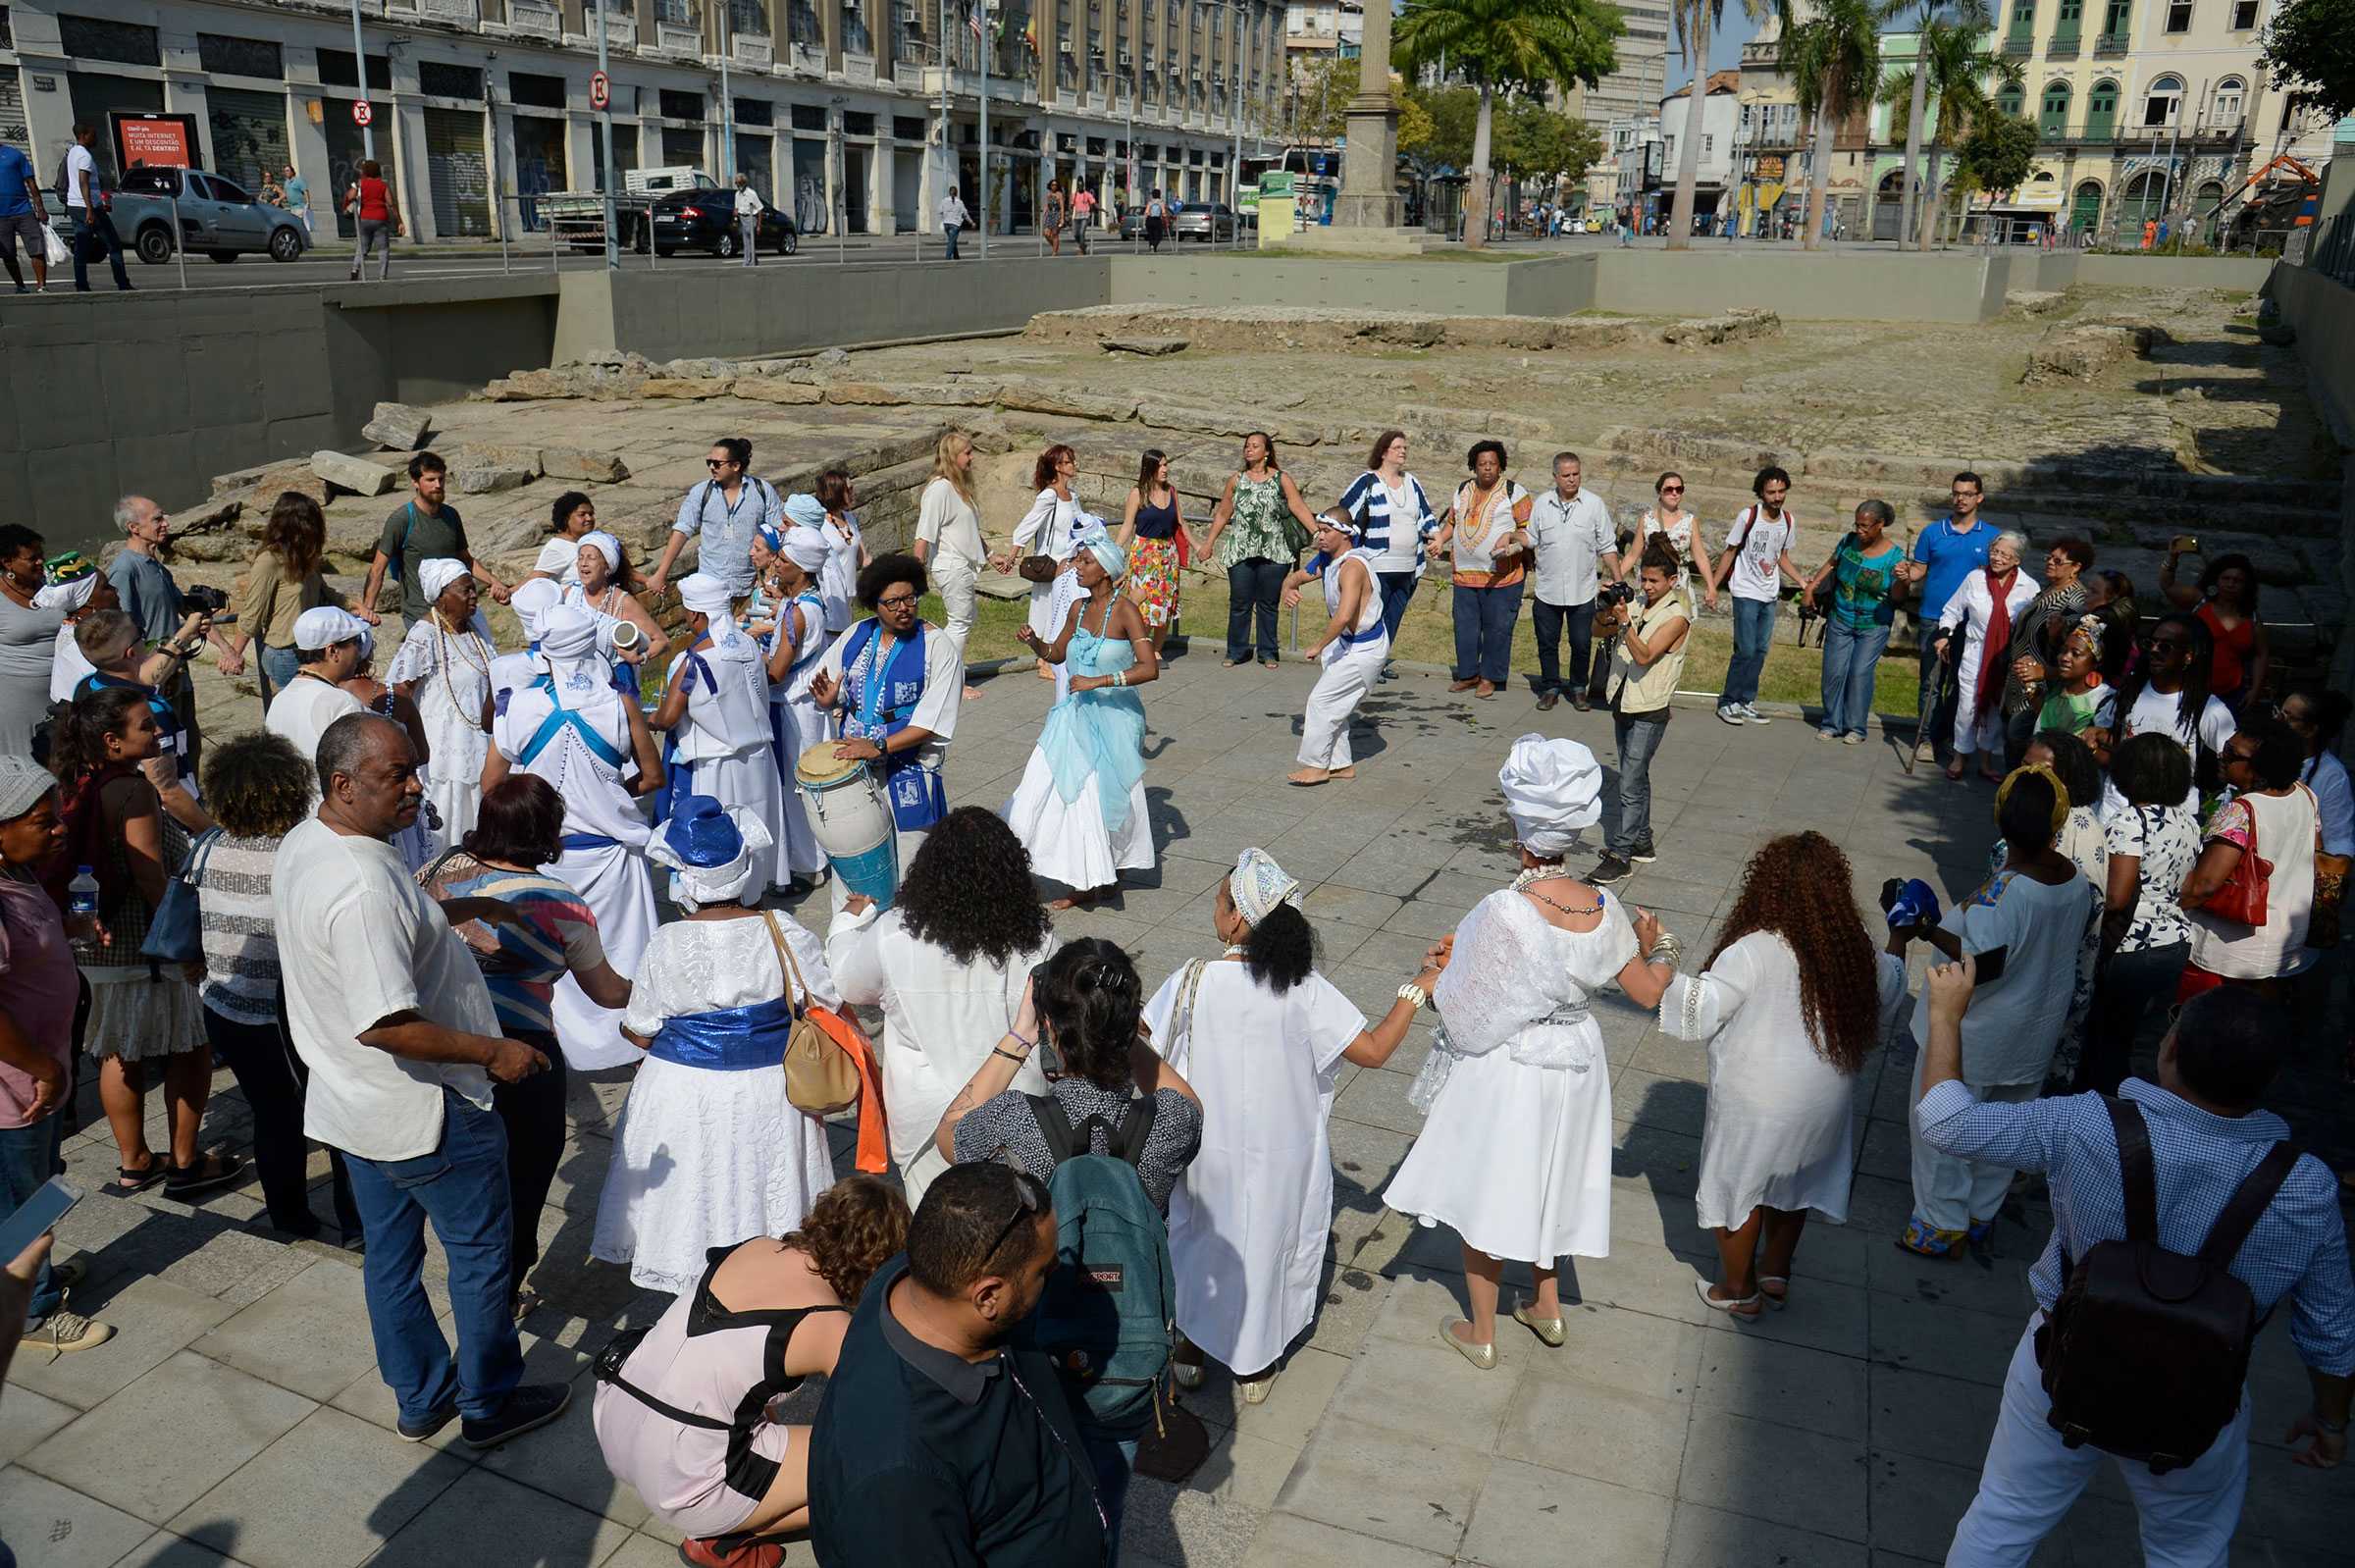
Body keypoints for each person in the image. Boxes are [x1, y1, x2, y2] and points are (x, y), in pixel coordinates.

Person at [1919, 977, 2354, 1566]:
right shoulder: (2307, 1186)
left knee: (2006, 1516)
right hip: (2200, 1393)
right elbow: (2331, 1332)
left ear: (2169, 1048)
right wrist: (2331, 1418)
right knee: (2188, 1551)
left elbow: (1947, 1124)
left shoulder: (2087, 1124)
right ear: (2272, 1081)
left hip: (2060, 1362)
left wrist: (1947, 1016)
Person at [274, 711, 569, 1448]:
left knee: (392, 1259)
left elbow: (374, 938)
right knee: (479, 1256)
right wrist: (493, 1054)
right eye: (395, 776)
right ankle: (487, 1404)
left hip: (353, 1107)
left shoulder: (312, 843)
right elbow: (386, 1024)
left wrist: (453, 910)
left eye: (414, 768)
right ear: (342, 785)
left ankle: (420, 1395)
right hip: (425, 1110)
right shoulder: (364, 887)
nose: (416, 788)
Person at [1385, 736, 1673, 1364]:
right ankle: (1546, 1307)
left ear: (1519, 830)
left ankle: (1481, 1333)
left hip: (1514, 1065)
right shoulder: (1606, 905)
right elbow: (1649, 992)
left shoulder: (1505, 907)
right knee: (1554, 1176)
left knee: (1491, 1185)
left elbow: (1465, 1001)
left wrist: (1433, 975)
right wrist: (1661, 948)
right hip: (1579, 1060)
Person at [933, 939, 1203, 1554]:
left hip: (1038, 1356)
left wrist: (1019, 1036)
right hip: (1127, 1362)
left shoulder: (1015, 1119)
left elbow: (950, 1136)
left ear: (1054, 1030)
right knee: (1104, 1503)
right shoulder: (1165, 1124)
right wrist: (1124, 1036)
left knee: (1028, 1507)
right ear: (1128, 1023)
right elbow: (1192, 1105)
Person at [1151, 848, 1432, 1399]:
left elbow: (1140, 1036)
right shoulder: (1302, 987)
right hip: (1285, 1150)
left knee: (1199, 1236)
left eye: (1219, 901)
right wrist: (1416, 989)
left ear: (1237, 919)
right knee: (1270, 1243)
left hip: (1208, 1147)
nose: (1214, 909)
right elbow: (1373, 1051)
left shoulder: (1193, 980)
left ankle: (1189, 1346)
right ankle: (1254, 1365)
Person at [596, 1176, 911, 1568]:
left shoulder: (752, 1248)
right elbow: (883, 1418)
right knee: (877, 1469)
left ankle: (736, 1505)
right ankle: (728, 1537)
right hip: (685, 1478)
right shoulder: (828, 1325)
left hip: (617, 1424)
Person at [593, 797, 840, 1297]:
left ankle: (696, 1284)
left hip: (682, 1091)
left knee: (694, 1186)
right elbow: (826, 1004)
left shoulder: (665, 942)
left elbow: (640, 1029)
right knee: (764, 1179)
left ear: (683, 879)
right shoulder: (785, 931)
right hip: (770, 1087)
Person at [807, 1161, 1108, 1568]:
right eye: (1044, 1271)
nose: (1057, 1274)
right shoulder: (897, 1478)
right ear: (987, 1298)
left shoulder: (910, 1280)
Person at [1653, 833, 1908, 1315]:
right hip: (1822, 1098)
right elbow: (1890, 988)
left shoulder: (1752, 950)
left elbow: (1700, 1009)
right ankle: (1775, 1273)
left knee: (1738, 1189)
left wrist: (1659, 955)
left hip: (1756, 1096)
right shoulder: (1852, 948)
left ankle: (1736, 1291)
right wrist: (1899, 935)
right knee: (1794, 1185)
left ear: (1765, 888)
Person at [424, 775, 632, 1315]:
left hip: (440, 1043)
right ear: (547, 832)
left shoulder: (438, 871)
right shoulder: (561, 904)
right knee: (524, 1174)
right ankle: (504, 1289)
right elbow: (608, 993)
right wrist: (657, 989)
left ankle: (473, 1273)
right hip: (522, 1052)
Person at [1895, 765, 2101, 1258]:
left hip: (1974, 1037)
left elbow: (1979, 965)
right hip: (2033, 1032)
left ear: (2001, 820)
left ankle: (1940, 1225)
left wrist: (1925, 927)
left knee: (1943, 1131)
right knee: (2006, 1131)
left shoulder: (2004, 893)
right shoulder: (2074, 879)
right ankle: (1980, 1215)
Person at [47, 683, 240, 1201]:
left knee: (118, 1051)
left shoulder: (82, 779)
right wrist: (187, 946)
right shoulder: (131, 791)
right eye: (145, 726)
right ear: (113, 741)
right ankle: (184, 1163)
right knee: (191, 1050)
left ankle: (135, 1162)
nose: (156, 731)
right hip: (144, 946)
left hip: (101, 946)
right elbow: (151, 876)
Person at [826, 807, 1059, 1206]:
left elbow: (849, 983)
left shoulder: (892, 933)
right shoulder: (1038, 941)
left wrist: (847, 924)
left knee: (934, 1226)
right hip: (1014, 1102)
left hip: (926, 1114)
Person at [193, 732, 364, 1245]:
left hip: (225, 1008)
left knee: (272, 1117)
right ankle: (356, 1225)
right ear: (293, 789)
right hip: (290, 1015)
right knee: (333, 1115)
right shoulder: (299, 852)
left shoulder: (206, 847)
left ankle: (289, 1219)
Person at [484, 605, 666, 1072]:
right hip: (611, 858)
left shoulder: (519, 705)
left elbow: (491, 786)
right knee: (623, 949)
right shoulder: (620, 702)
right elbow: (651, 777)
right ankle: (630, 1040)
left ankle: (568, 1045)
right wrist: (606, 796)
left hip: (548, 859)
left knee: (559, 958)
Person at [0, 757, 111, 1354]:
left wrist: (67, 929)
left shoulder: (17, 877)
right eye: (44, 823)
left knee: (38, 1185)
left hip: (39, 1078)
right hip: (15, 1087)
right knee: (19, 1201)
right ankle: (33, 1313)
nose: (59, 830)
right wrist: (42, 1066)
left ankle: (36, 1278)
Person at [1005, 526, 1159, 908]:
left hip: (1115, 720)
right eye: (1077, 560)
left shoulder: (1126, 611)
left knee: (1103, 795)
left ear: (1105, 570)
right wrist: (1034, 642)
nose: (1077, 567)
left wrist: (1100, 680)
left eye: (1085, 562)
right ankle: (1072, 869)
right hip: (1072, 718)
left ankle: (1100, 874)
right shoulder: (1077, 608)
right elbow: (1056, 653)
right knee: (1049, 787)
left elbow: (1149, 668)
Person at [810, 554, 965, 903]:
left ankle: (910, 942)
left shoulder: (936, 646)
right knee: (857, 864)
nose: (904, 608)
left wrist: (879, 747)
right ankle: (855, 941)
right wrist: (830, 700)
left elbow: (931, 720)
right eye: (892, 602)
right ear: (874, 604)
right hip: (855, 769)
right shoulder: (856, 635)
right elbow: (828, 683)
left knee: (912, 865)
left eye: (910, 598)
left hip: (908, 768)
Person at [2077, 732, 2199, 1095]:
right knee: (2142, 1040)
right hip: (2175, 944)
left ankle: (2107, 1112)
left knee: (2106, 1041)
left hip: (2131, 948)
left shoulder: (2130, 821)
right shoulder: (2188, 821)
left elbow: (2117, 897)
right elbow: (2187, 889)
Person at [652, 573, 787, 895]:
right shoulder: (750, 644)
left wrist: (645, 720)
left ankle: (717, 897)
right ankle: (753, 894)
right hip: (757, 758)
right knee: (754, 827)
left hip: (715, 765)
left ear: (696, 615)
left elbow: (669, 717)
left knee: (718, 835)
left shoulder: (693, 662)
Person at [2178, 719, 2321, 999]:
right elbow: (2315, 854)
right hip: (2286, 948)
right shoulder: (2306, 795)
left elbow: (2205, 885)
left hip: (2229, 955)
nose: (2222, 756)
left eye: (2232, 754)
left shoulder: (2242, 811)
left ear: (2259, 768)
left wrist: (2170, 908)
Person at [109, 494, 237, 766]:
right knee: (164, 756)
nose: (165, 523)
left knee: (189, 746)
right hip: (154, 678)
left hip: (177, 673)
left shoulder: (157, 567)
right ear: (134, 527)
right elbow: (122, 628)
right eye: (157, 518)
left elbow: (189, 614)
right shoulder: (125, 569)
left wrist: (227, 648)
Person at [1590, 542, 1692, 886]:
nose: (1646, 587)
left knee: (1630, 781)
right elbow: (1596, 631)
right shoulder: (1636, 604)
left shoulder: (1676, 616)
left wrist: (1623, 622)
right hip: (1623, 700)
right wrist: (1606, 610)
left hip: (1650, 709)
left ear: (1672, 580)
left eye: (1653, 582)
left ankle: (1621, 855)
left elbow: (1646, 655)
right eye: (1643, 580)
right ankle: (1642, 841)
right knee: (1636, 775)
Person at [69, 607, 213, 834]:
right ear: (131, 653)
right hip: (171, 824)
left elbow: (143, 678)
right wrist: (213, 834)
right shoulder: (150, 714)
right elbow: (168, 791)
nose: (145, 641)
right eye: (140, 636)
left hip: (118, 807)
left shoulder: (87, 686)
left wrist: (184, 635)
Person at [388, 559, 496, 857]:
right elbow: (400, 692)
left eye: (474, 589)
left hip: (482, 741)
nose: (473, 595)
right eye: (465, 590)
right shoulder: (425, 634)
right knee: (449, 827)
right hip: (445, 751)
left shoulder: (477, 624)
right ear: (441, 597)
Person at [750, 523, 833, 892]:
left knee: (796, 788)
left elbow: (777, 670)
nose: (777, 564)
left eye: (783, 559)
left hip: (794, 706)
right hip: (807, 705)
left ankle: (808, 863)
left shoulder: (797, 612)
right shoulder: (809, 602)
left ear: (801, 568)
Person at [1282, 509, 1387, 788]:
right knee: (1334, 706)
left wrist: (1317, 646)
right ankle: (1341, 764)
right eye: (1319, 530)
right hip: (1347, 645)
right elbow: (1298, 576)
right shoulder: (1328, 558)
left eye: (1326, 531)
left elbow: (1343, 616)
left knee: (1321, 702)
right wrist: (1287, 588)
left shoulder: (1352, 567)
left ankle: (1316, 766)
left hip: (1365, 649)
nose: (1320, 536)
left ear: (1345, 534)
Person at [1201, 433, 1318, 671]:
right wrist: (1208, 543)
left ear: (1266, 452)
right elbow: (1224, 513)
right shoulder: (1236, 480)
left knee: (1268, 603)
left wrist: (1317, 532)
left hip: (1273, 550)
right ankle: (1236, 650)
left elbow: (1297, 505)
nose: (1249, 450)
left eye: (1255, 446)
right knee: (1240, 602)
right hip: (1242, 549)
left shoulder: (1281, 479)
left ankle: (1268, 651)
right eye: (1247, 446)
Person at [1904, 471, 1995, 764]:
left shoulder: (1992, 536)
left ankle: (1949, 737)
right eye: (1957, 493)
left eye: (1968, 494)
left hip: (1971, 622)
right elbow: (1920, 570)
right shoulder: (1933, 532)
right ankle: (1927, 738)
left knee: (1961, 683)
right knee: (1931, 682)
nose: (1961, 499)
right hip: (1934, 617)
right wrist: (1906, 574)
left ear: (1979, 497)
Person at [2103, 613, 2234, 817]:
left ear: (2189, 656)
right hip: (2115, 811)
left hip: (2170, 825)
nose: (2154, 650)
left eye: (2166, 646)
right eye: (2151, 643)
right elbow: (2116, 740)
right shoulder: (2131, 690)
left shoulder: (2209, 709)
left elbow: (2234, 765)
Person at [360, 452, 511, 629]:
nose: (437, 485)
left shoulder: (451, 515)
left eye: (441, 479)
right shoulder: (402, 520)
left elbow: (466, 560)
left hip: (455, 610)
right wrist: (367, 612)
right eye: (430, 480)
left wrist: (495, 582)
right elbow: (377, 569)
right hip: (420, 615)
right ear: (415, 482)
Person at [1432, 440, 1535, 701]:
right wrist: (1440, 540)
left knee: (1497, 628)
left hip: (1503, 577)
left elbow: (1528, 529)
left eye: (1492, 464)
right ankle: (1468, 674)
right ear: (1473, 467)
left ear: (1501, 466)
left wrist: (1510, 537)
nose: (1487, 468)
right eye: (1482, 464)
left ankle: (1490, 677)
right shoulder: (1462, 490)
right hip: (1465, 575)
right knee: (1465, 627)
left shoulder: (1515, 491)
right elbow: (1453, 523)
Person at [221, 493, 344, 707]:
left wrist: (356, 607)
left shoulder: (306, 557)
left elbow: (325, 593)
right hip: (285, 654)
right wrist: (234, 653)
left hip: (310, 648)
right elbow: (253, 612)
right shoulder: (268, 560)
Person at [1934, 530, 2039, 782]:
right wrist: (1944, 634)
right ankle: (1960, 756)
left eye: (2005, 554)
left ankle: (1986, 760)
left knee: (1995, 708)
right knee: (1966, 707)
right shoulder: (1975, 578)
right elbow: (1952, 610)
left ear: (2017, 560)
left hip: (2005, 657)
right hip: (1975, 651)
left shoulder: (2029, 587)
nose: (1997, 558)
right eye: (1994, 551)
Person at [1525, 450, 1622, 712]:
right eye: (1566, 475)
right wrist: (1508, 538)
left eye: (1576, 474)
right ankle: (1550, 688)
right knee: (1547, 643)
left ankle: (1579, 687)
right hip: (1548, 590)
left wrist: (1618, 578)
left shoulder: (1594, 504)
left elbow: (1607, 545)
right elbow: (1530, 538)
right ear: (1555, 476)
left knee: (1580, 643)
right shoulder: (1542, 504)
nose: (1571, 480)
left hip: (1583, 591)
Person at [1806, 499, 1906, 744]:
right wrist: (1812, 588)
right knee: (1833, 672)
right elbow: (1831, 563)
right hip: (1841, 617)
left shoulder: (1894, 556)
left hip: (1873, 624)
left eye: (1865, 526)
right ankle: (1831, 722)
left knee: (1859, 673)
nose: (1860, 531)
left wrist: (1904, 580)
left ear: (1880, 525)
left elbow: (1898, 597)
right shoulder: (1848, 542)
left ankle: (1856, 728)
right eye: (1857, 524)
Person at [1336, 430, 1439, 656]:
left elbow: (1425, 514)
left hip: (1407, 566)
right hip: (1377, 564)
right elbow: (1343, 513)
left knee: (1393, 616)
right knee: (1371, 615)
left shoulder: (1411, 482)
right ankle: (1363, 658)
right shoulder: (1367, 482)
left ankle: (1380, 659)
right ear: (1384, 452)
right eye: (1397, 447)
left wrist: (1437, 536)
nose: (1403, 451)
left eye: (1405, 448)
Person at [1711, 466, 1803, 727]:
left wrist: (1801, 581)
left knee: (1760, 650)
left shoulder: (1788, 521)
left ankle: (1746, 701)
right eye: (1771, 492)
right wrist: (1713, 586)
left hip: (1769, 593)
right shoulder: (1748, 516)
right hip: (1745, 591)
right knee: (1745, 649)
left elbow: (1782, 558)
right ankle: (1728, 701)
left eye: (1781, 491)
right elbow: (1730, 552)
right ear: (1761, 493)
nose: (1777, 497)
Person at [649, 438, 784, 603]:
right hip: (710, 589)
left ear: (736, 466)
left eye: (717, 463)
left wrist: (770, 576)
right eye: (709, 462)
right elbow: (682, 531)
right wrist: (661, 573)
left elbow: (778, 534)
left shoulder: (761, 491)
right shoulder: (701, 492)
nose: (712, 467)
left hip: (748, 586)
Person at [2000, 537, 2094, 768]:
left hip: (2041, 683)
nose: (2050, 563)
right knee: (2011, 737)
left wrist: (2055, 636)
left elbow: (2070, 644)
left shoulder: (2075, 599)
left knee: (2022, 737)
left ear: (2076, 567)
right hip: (2019, 679)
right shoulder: (2048, 589)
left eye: (2058, 560)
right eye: (2049, 558)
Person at [913, 431, 987, 698]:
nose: (972, 457)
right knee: (959, 623)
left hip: (962, 564)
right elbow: (924, 534)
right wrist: (912, 574)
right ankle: (949, 683)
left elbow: (967, 531)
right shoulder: (940, 489)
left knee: (964, 620)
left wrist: (989, 554)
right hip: (950, 564)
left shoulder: (959, 489)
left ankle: (946, 676)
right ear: (953, 456)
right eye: (967, 452)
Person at [1001, 444, 1084, 678]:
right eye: (1068, 462)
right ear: (1058, 467)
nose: (1073, 465)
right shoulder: (1049, 495)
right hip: (1050, 564)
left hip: (1070, 563)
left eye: (1072, 461)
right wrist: (1012, 554)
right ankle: (1044, 659)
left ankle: (1057, 655)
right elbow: (1029, 524)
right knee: (1048, 608)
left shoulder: (1073, 496)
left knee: (1066, 609)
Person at [2162, 547, 2270, 710]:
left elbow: (2261, 654)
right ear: (2216, 580)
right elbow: (2167, 585)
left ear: (2246, 585)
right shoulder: (2199, 602)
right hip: (2190, 688)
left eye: (2237, 580)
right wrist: (2173, 556)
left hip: (2231, 695)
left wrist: (2255, 690)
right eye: (2226, 578)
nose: (2230, 584)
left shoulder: (2252, 619)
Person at [264, 606, 370, 769]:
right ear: (333, 651)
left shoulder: (280, 699)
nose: (359, 652)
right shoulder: (341, 702)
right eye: (356, 642)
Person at [1116, 447, 1196, 660]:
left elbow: (1181, 522)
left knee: (1165, 602)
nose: (1165, 469)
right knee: (1142, 601)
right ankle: (1134, 646)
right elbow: (1127, 525)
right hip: (1144, 553)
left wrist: (1198, 545)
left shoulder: (1172, 492)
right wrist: (1114, 552)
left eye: (1166, 464)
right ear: (1149, 468)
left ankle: (1156, 650)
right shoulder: (1138, 493)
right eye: (1160, 465)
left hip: (1167, 554)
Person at [0, 525, 63, 755]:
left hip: (61, 694)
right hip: (15, 704)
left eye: (41, 556)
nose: (40, 563)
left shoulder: (54, 586)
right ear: (8, 562)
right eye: (32, 558)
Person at [1623, 470, 1718, 610]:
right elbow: (1632, 555)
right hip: (1651, 582)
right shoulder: (1646, 520)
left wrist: (1711, 586)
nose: (1675, 493)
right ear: (1659, 492)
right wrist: (1617, 579)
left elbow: (1700, 556)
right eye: (1669, 489)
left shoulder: (1690, 521)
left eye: (1679, 489)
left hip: (1678, 582)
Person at [2282, 689, 2355, 861]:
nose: (2279, 721)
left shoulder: (2332, 776)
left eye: (2290, 718)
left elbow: (2338, 841)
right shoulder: (2262, 753)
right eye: (2279, 712)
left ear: (2311, 730)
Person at [63, 123, 131, 293]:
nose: (96, 138)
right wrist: (89, 209)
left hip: (75, 205)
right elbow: (83, 182)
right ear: (84, 135)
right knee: (113, 244)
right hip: (89, 207)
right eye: (93, 134)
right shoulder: (84, 156)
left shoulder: (72, 152)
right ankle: (122, 283)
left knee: (82, 247)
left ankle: (81, 285)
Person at [36, 552, 113, 703]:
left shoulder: (87, 630)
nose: (115, 591)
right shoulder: (80, 644)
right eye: (106, 587)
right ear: (89, 600)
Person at [2033, 615, 2114, 740]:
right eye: (2063, 651)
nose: (2065, 658)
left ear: (2096, 662)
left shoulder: (2105, 698)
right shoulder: (2059, 686)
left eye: (2075, 654)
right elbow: (2045, 720)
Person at [813, 468, 867, 635]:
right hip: (829, 596)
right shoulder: (819, 522)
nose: (853, 493)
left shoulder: (849, 518)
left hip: (848, 595)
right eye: (848, 489)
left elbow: (863, 558)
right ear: (835, 492)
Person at [0, 132, 48, 294]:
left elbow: (31, 182)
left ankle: (42, 286)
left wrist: (40, 208)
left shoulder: (15, 155)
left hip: (23, 210)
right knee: (7, 253)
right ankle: (20, 285)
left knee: (37, 248)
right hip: (1, 215)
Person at [345, 159, 397, 282]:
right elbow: (390, 203)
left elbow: (350, 196)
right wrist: (398, 220)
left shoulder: (361, 184)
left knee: (362, 247)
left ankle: (355, 269)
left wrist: (357, 186)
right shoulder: (383, 185)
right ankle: (382, 276)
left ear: (365, 171)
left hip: (365, 218)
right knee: (383, 248)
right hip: (381, 218)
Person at [732, 172, 764, 266]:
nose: (738, 186)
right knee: (746, 242)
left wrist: (758, 225)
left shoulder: (752, 193)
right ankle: (753, 260)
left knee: (750, 241)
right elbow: (736, 208)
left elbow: (760, 209)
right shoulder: (737, 194)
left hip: (751, 218)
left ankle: (748, 261)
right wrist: (735, 216)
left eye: (740, 183)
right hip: (742, 218)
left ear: (744, 183)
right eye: (737, 184)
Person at [937, 183, 969, 259]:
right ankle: (947, 258)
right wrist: (971, 222)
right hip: (955, 224)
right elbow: (965, 214)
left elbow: (939, 211)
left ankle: (956, 256)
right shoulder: (960, 202)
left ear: (949, 192)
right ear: (957, 193)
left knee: (952, 240)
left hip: (946, 224)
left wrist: (945, 215)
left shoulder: (944, 201)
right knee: (951, 241)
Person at [280, 164, 310, 235]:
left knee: (300, 226)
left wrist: (308, 203)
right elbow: (285, 193)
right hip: (292, 208)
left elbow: (305, 191)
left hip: (300, 207)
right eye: (285, 171)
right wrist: (278, 199)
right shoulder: (286, 182)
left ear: (292, 172)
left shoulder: (298, 180)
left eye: (288, 171)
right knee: (295, 227)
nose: (286, 172)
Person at [1042, 175, 1066, 255]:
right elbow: (1047, 205)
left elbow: (1062, 207)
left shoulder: (1059, 194)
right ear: (1050, 186)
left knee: (1055, 233)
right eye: (1052, 185)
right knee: (1046, 233)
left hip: (1057, 214)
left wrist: (1062, 218)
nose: (1054, 186)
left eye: (1055, 185)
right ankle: (1055, 246)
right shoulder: (1048, 195)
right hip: (1049, 215)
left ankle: (1054, 251)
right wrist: (1044, 213)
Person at [1071, 181, 1096, 253]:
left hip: (1085, 216)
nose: (1080, 187)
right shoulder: (1074, 195)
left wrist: (1100, 210)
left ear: (1083, 186)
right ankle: (1083, 245)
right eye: (1079, 185)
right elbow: (1071, 205)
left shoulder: (1088, 194)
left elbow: (1093, 203)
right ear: (1077, 186)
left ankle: (1082, 250)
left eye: (1082, 185)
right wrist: (1071, 207)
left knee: (1081, 233)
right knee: (1076, 234)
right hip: (1076, 216)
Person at [1145, 185, 1169, 251]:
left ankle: (1151, 246)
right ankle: (1154, 246)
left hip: (1149, 220)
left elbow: (1146, 212)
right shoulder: (1161, 202)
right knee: (1159, 235)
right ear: (1159, 194)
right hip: (1157, 220)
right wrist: (1165, 218)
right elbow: (1163, 212)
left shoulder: (1150, 202)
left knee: (1151, 235)